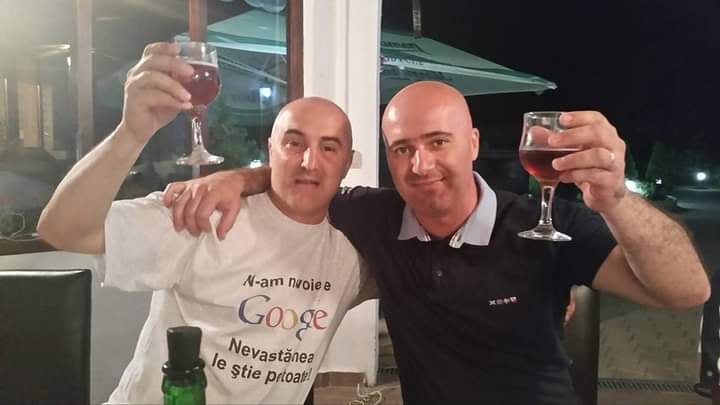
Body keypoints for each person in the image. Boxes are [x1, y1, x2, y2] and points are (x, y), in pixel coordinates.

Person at [163, 81, 710, 404]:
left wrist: (616, 199)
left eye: (438, 142)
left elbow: (687, 291)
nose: (420, 165)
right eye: (402, 149)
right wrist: (239, 178)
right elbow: (305, 180)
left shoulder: (544, 223)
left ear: (473, 143)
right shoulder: (375, 217)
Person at [37, 42, 374, 404]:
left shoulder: (353, 256)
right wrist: (131, 133)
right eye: (294, 143)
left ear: (346, 163)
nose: (309, 162)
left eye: (329, 148)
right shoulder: (204, 211)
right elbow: (63, 230)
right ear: (270, 150)